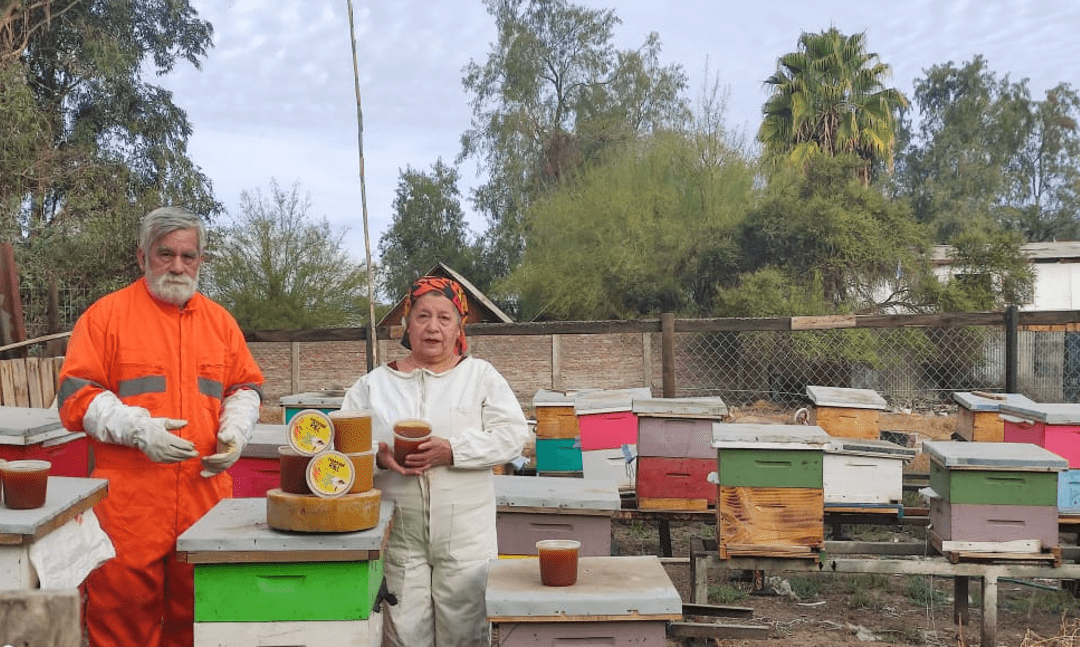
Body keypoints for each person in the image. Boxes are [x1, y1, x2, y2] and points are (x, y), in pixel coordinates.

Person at [57, 206, 265, 647]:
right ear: (141, 256)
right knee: (122, 624)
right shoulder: (105, 317)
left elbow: (245, 387)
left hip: (205, 497)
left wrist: (236, 429)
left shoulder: (221, 323)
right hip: (129, 505)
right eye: (165, 253)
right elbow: (76, 395)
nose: (177, 266)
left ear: (201, 260)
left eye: (188, 256)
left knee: (200, 623)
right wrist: (137, 428)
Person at [341, 275, 529, 647]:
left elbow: (512, 436)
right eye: (423, 316)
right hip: (400, 536)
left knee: (465, 632)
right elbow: (343, 447)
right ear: (407, 324)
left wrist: (453, 450)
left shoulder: (480, 376)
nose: (432, 327)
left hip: (466, 537)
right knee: (403, 635)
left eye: (444, 318)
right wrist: (378, 457)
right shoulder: (373, 385)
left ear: (459, 327)